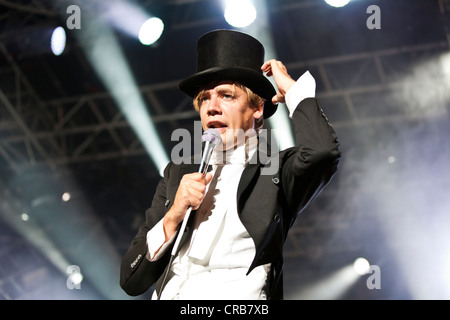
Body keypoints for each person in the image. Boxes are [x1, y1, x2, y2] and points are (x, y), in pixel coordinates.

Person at [120, 29, 341, 300]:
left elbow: (323, 152)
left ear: (257, 108)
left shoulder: (276, 170)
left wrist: (294, 92)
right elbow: (131, 280)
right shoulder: (178, 173)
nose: (211, 107)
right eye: (204, 99)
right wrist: (174, 214)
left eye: (226, 95)